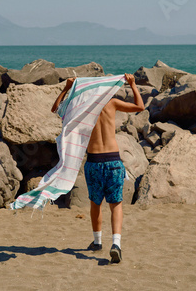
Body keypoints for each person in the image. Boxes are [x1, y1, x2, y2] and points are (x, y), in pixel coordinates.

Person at [51, 73, 145, 263]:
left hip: (94, 162)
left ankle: (97, 242)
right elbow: (140, 106)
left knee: (96, 204)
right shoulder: (112, 103)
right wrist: (133, 85)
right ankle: (116, 243)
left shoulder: (83, 107)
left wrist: (66, 88)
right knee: (116, 204)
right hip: (113, 162)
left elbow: (56, 110)